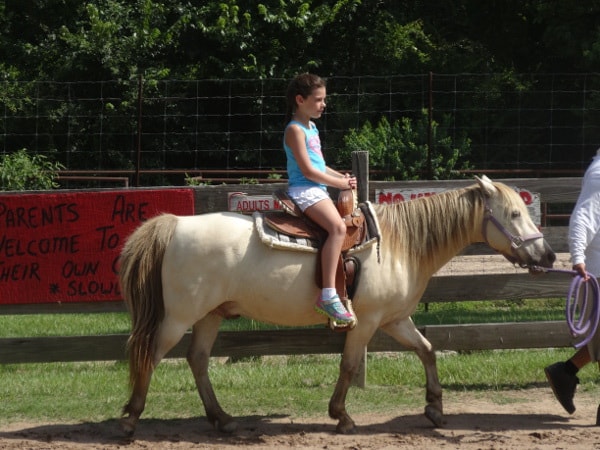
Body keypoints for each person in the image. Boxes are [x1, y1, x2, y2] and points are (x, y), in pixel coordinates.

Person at [283, 73, 357, 324]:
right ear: (300, 100)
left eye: (324, 99)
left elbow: (321, 166)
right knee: (337, 228)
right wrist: (340, 183)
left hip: (318, 189)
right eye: (318, 100)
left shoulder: (311, 127)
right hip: (305, 190)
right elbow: (308, 171)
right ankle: (328, 295)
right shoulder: (295, 130)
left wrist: (343, 177)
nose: (323, 104)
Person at [544, 148, 600, 415]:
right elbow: (584, 215)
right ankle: (565, 372)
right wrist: (577, 255)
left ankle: (565, 372)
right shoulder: (599, 174)